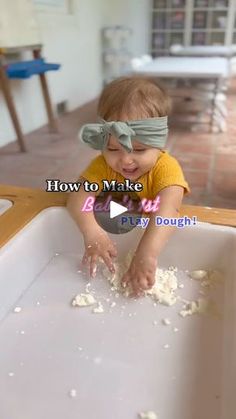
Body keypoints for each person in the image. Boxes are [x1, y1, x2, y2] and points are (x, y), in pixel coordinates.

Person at [67, 76, 190, 295]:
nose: (125, 160)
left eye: (140, 150)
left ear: (160, 142)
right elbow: (78, 198)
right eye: (113, 149)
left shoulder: (166, 169)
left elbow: (168, 212)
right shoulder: (102, 166)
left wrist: (147, 254)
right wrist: (92, 232)